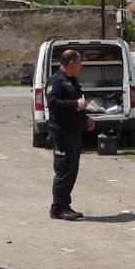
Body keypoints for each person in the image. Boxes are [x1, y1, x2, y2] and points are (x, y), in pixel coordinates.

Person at [46, 49, 94, 221]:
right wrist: (75, 103)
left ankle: (65, 205)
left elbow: (78, 105)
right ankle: (57, 209)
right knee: (63, 170)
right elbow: (53, 104)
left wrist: (85, 119)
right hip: (61, 132)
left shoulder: (72, 81)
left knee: (72, 170)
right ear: (72, 63)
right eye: (80, 63)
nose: (81, 67)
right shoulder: (56, 80)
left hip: (73, 131)